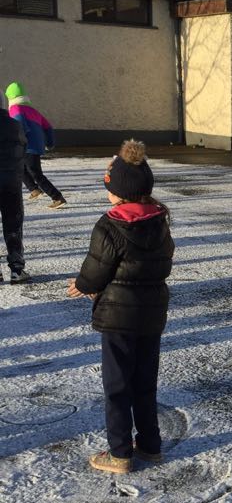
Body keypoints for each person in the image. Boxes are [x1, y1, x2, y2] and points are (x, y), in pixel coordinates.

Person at [67, 140, 174, 474]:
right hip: (151, 313)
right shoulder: (159, 221)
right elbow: (164, 264)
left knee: (117, 387)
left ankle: (120, 453)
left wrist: (84, 285)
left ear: (119, 191)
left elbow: (96, 268)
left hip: (117, 316)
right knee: (145, 382)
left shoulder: (111, 224)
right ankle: (150, 445)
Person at [5, 80, 66, 209]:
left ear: (10, 97)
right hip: (36, 145)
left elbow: (19, 127)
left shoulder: (15, 108)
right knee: (20, 168)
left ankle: (57, 197)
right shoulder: (33, 110)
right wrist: (50, 143)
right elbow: (48, 127)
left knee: (36, 173)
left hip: (27, 146)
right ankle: (34, 189)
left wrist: (14, 142)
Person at [0, 98, 30, 283]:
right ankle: (17, 269)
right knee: (13, 225)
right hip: (11, 182)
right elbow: (23, 148)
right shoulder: (15, 125)